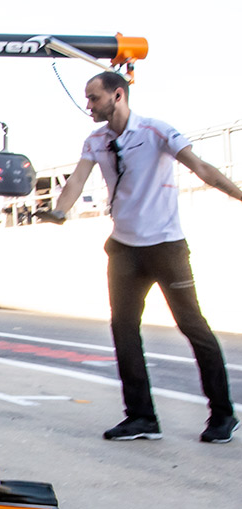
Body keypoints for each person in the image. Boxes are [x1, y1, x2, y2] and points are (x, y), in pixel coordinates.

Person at [39, 71, 240, 444]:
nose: (88, 105)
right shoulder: (95, 140)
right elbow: (77, 181)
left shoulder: (156, 131)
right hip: (124, 250)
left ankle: (223, 415)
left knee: (192, 326)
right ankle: (142, 417)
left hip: (166, 247)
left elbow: (203, 169)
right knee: (123, 330)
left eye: (93, 98)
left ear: (118, 96)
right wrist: (60, 212)